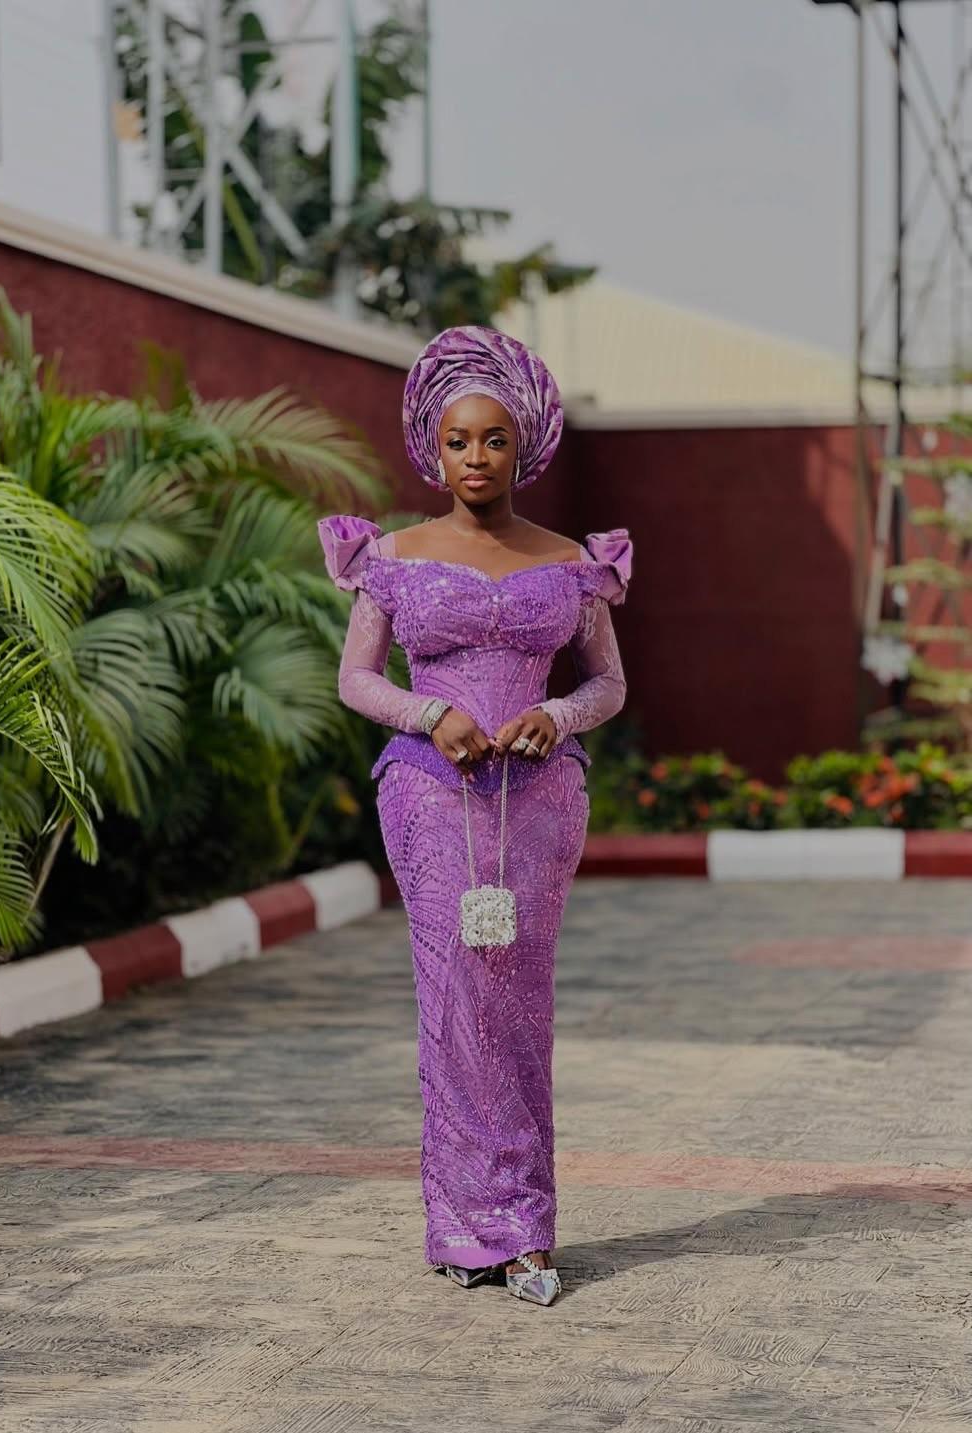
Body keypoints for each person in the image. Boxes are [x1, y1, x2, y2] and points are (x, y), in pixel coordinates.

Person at [317, 324, 632, 1307]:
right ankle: (464, 1224)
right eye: (459, 440)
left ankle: (527, 1230)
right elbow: (356, 677)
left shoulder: (572, 562)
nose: (477, 457)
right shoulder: (391, 558)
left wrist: (555, 714)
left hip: (539, 799)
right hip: (428, 791)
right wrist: (431, 713)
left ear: (524, 444)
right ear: (433, 446)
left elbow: (609, 683)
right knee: (456, 995)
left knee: (520, 1001)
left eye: (495, 439)